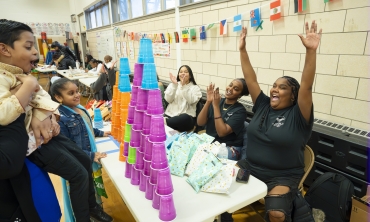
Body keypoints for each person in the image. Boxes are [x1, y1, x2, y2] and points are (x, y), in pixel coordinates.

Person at [0, 19, 113, 222]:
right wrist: (30, 85)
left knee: (85, 162)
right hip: (34, 146)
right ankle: (83, 218)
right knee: (78, 174)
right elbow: (6, 112)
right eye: (28, 46)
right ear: (4, 49)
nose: (35, 52)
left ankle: (91, 207)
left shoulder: (20, 74)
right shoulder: (9, 77)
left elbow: (44, 98)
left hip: (47, 138)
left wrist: (42, 113)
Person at [236, 21, 322, 222]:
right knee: (225, 187)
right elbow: (251, 79)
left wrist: (310, 52)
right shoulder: (263, 104)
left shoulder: (299, 114)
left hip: (282, 176)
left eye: (282, 87)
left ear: (293, 96)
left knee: (276, 213)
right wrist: (242, 50)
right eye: (274, 85)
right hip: (249, 167)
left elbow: (307, 86)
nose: (275, 89)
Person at [50, 78, 112, 211]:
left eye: (77, 91)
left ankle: (95, 207)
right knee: (82, 189)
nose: (77, 95)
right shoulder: (61, 118)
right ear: (58, 97)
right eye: (71, 93)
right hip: (78, 160)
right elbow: (68, 148)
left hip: (86, 157)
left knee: (91, 185)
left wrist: (100, 133)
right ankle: (88, 213)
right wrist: (90, 155)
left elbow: (86, 127)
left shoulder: (79, 108)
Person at [197, 78, 249, 161]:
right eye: (230, 85)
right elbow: (200, 122)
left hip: (227, 148)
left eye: (236, 89)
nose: (230, 89)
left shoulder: (240, 111)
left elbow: (222, 132)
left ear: (240, 95)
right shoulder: (218, 101)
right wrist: (208, 102)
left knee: (206, 157)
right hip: (211, 143)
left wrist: (216, 106)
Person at [164, 65, 202, 132]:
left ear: (190, 76)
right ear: (179, 75)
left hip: (186, 120)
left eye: (185, 72)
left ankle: (162, 123)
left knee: (185, 117)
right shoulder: (173, 85)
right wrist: (174, 86)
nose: (183, 73)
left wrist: (184, 86)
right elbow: (168, 99)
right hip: (171, 116)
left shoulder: (195, 88)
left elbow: (191, 101)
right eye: (181, 72)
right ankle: (168, 125)